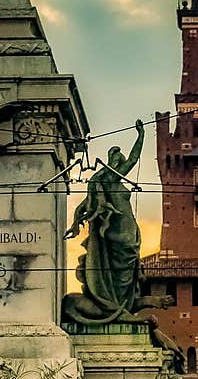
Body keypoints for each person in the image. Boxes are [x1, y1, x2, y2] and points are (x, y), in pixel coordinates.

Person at [62, 120, 147, 323]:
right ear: (113, 162)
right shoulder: (106, 180)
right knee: (119, 271)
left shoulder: (110, 181)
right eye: (118, 158)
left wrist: (141, 135)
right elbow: (84, 206)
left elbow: (133, 159)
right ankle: (113, 305)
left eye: (121, 157)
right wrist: (141, 136)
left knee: (126, 271)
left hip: (128, 231)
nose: (122, 160)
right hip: (117, 233)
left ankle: (119, 304)